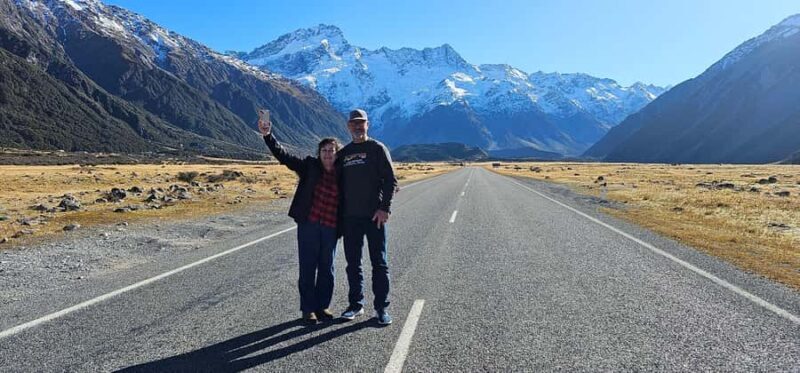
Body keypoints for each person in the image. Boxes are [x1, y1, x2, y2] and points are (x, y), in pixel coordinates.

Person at [258, 113, 341, 325]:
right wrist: (268, 136)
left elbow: (363, 181)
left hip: (331, 226)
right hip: (309, 225)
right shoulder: (309, 166)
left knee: (327, 269)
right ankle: (308, 309)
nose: (328, 155)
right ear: (319, 153)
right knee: (307, 268)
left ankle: (322, 306)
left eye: (331, 151)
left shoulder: (343, 173)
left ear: (337, 153)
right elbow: (284, 157)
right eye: (324, 151)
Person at [336, 109, 398, 325]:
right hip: (350, 218)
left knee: (379, 263)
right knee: (353, 264)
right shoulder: (343, 154)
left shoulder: (377, 148)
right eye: (354, 124)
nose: (357, 127)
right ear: (348, 126)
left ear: (367, 125)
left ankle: (381, 308)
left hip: (374, 217)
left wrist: (385, 208)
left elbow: (391, 180)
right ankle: (355, 305)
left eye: (361, 123)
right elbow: (336, 185)